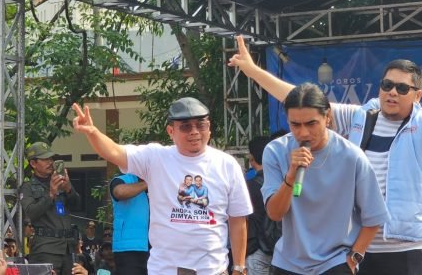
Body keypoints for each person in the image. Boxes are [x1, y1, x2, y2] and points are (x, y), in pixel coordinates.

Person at [229, 35, 422, 275]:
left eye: (402, 88)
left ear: (417, 95)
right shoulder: (361, 116)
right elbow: (303, 101)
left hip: (406, 247)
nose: (392, 92)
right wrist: (252, 70)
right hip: (359, 245)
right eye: (387, 85)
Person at [71, 97, 253, 275]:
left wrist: (239, 267)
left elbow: (237, 219)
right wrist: (92, 132)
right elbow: (114, 152)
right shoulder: (156, 158)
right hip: (165, 269)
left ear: (209, 127)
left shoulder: (227, 165)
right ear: (171, 131)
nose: (194, 132)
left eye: (201, 125)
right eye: (186, 126)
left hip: (213, 269)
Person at [262, 83, 389, 274]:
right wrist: (291, 175)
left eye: (311, 123)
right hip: (288, 262)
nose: (303, 133)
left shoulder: (351, 156)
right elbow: (275, 214)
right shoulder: (275, 151)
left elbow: (374, 216)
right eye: (295, 125)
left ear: (327, 117)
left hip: (335, 261)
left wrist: (354, 258)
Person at [19, 141, 81, 275]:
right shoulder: (27, 187)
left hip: (68, 248)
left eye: (51, 158)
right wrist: (51, 194)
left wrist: (69, 189)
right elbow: (31, 212)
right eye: (45, 159)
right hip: (45, 249)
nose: (50, 162)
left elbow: (77, 205)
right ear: (33, 163)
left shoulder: (60, 181)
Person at [109, 173, 149, 275]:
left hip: (157, 249)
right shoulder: (122, 180)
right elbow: (119, 192)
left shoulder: (161, 185)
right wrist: (148, 183)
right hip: (129, 250)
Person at [246, 135, 273, 275]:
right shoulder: (284, 183)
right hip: (282, 252)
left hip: (258, 250)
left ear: (252, 158)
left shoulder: (249, 186)